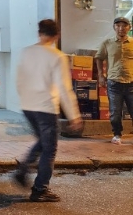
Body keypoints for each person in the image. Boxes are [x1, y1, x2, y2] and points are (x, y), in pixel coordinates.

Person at [14, 19, 82, 202]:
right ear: (56, 36)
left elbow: (19, 79)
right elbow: (64, 88)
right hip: (46, 108)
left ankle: (23, 169)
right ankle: (40, 189)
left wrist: (25, 98)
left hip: (28, 105)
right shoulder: (57, 56)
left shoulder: (26, 52)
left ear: (39, 33)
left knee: (43, 142)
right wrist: (74, 115)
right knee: (49, 149)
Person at [95, 16, 133, 145]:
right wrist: (101, 75)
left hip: (131, 83)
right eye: (118, 26)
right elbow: (99, 57)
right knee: (115, 113)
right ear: (114, 27)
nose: (121, 28)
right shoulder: (107, 43)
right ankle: (117, 134)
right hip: (114, 83)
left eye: (124, 26)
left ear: (129, 27)